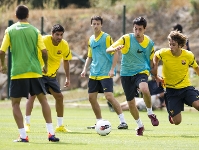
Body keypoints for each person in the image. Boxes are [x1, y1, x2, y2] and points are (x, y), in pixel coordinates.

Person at [0, 5, 59, 142]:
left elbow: (2, 52)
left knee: (15, 104)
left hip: (18, 73)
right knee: (43, 100)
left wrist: (2, 65)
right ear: (28, 15)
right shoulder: (35, 30)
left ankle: (23, 136)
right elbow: (44, 52)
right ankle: (51, 134)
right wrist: (45, 65)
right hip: (35, 71)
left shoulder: (10, 30)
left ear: (15, 15)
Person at [106, 16, 159, 136]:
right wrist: (115, 48)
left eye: (140, 29)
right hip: (126, 74)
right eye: (135, 29)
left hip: (141, 71)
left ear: (144, 29)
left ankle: (150, 113)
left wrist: (155, 75)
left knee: (145, 89)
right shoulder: (126, 39)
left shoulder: (149, 43)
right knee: (131, 104)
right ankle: (140, 125)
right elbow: (108, 49)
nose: (137, 32)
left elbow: (151, 62)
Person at [81, 16, 128, 130]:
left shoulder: (107, 38)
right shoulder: (91, 39)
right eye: (94, 24)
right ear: (91, 25)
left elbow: (115, 53)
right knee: (91, 98)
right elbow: (89, 56)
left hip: (105, 73)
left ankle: (123, 121)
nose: (96, 26)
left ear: (101, 25)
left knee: (109, 97)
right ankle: (99, 122)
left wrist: (112, 69)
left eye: (98, 24)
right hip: (93, 74)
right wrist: (84, 69)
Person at [24, 24, 72, 133]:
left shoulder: (64, 45)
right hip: (38, 74)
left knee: (59, 97)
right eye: (57, 34)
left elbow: (66, 60)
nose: (59, 37)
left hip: (51, 76)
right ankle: (26, 124)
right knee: (32, 96)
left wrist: (67, 78)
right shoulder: (43, 40)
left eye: (61, 35)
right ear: (52, 34)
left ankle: (60, 126)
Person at [153, 30, 199, 125]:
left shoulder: (188, 55)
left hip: (186, 88)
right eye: (170, 44)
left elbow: (196, 68)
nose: (170, 47)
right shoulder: (164, 53)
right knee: (177, 122)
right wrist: (156, 74)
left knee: (198, 105)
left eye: (173, 45)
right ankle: (172, 114)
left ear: (180, 45)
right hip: (171, 90)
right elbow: (156, 56)